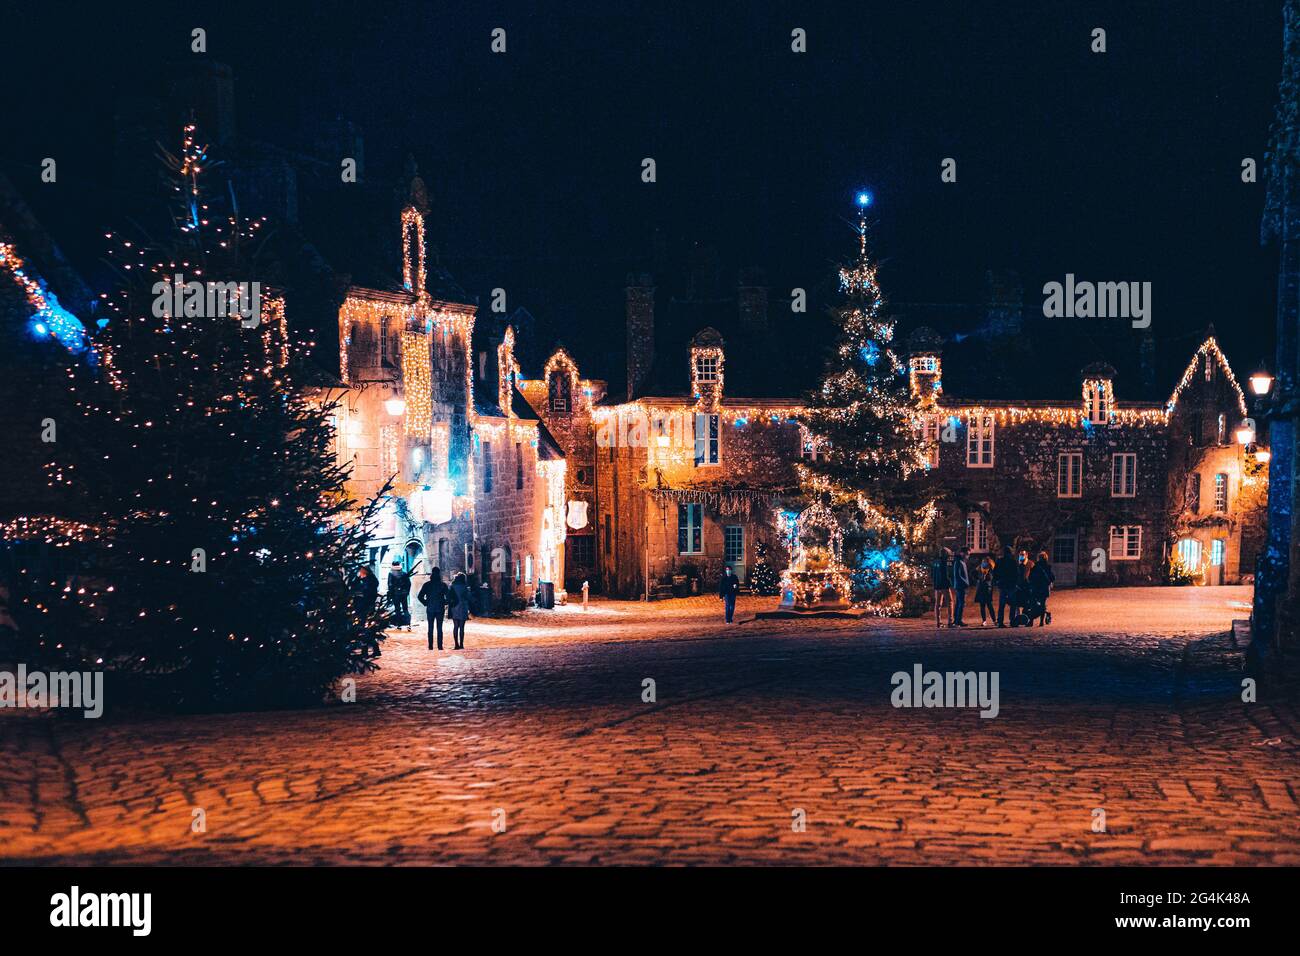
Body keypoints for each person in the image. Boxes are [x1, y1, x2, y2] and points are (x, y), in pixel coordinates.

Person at [417, 566, 449, 650]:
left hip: (430, 608)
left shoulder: (427, 585)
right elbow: (449, 597)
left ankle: (430, 646)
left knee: (430, 627)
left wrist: (425, 603)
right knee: (439, 627)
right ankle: (440, 646)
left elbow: (420, 596)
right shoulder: (442, 585)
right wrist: (444, 602)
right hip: (440, 608)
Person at [1029, 551, 1055, 626]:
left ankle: (1031, 621)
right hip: (1044, 588)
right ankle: (1041, 622)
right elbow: (1052, 577)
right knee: (1043, 605)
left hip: (1036, 587)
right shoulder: (1048, 567)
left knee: (1033, 604)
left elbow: (1030, 577)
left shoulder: (1035, 566)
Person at [994, 545, 1018, 627]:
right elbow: (1016, 573)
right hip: (1011, 584)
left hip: (1002, 584)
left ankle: (1000, 621)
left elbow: (995, 573)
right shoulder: (1013, 561)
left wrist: (997, 581)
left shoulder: (999, 561)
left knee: (1002, 604)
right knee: (1013, 603)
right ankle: (1012, 620)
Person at [930, 547, 954, 628]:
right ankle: (950, 621)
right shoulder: (944, 562)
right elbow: (945, 575)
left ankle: (938, 622)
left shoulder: (935, 562)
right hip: (944, 585)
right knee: (950, 602)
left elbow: (933, 574)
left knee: (938, 604)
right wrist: (950, 584)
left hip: (937, 585)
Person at [448, 571, 471, 650]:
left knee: (455, 626)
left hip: (454, 607)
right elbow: (468, 597)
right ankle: (461, 644)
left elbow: (449, 596)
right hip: (463, 607)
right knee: (462, 627)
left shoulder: (452, 586)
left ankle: (456, 645)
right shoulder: (465, 587)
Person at [387, 559, 411, 629]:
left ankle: (399, 624)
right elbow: (408, 584)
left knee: (397, 609)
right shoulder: (404, 573)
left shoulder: (391, 573)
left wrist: (390, 594)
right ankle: (408, 624)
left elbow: (390, 584)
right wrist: (407, 592)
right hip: (404, 593)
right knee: (405, 609)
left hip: (395, 594)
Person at [952, 547, 971, 626]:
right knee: (961, 603)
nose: (968, 556)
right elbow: (958, 575)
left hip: (960, 585)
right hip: (960, 586)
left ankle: (957, 619)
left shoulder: (961, 562)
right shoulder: (959, 562)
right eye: (967, 554)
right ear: (962, 553)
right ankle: (958, 620)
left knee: (959, 603)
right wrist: (965, 583)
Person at [975, 556, 996, 625]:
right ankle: (984, 620)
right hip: (981, 589)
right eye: (983, 562)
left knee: (989, 605)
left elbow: (991, 579)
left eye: (985, 562)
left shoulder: (991, 570)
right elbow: (973, 574)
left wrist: (986, 576)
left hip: (987, 589)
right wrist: (978, 579)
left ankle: (994, 620)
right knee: (982, 606)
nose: (984, 563)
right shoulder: (979, 569)